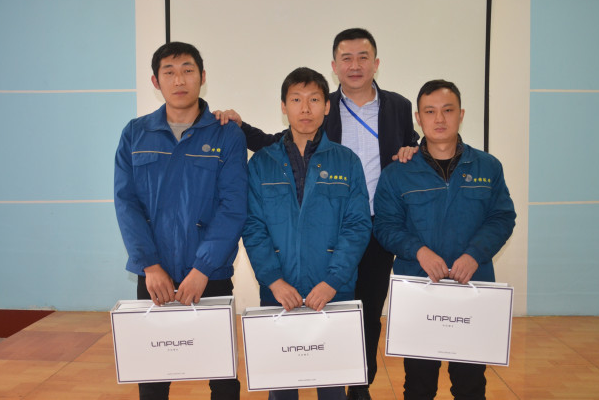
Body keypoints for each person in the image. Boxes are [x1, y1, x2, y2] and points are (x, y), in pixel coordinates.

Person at [216, 28, 419, 400]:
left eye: (362, 57)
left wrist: (413, 150)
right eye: (346, 58)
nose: (354, 65)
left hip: (369, 233)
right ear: (334, 66)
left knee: (361, 322)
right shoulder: (271, 158)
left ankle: (359, 386)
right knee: (285, 369)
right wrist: (240, 128)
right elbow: (257, 214)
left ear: (376, 63)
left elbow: (408, 149)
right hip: (300, 253)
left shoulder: (395, 109)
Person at [114, 41, 247, 400]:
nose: (179, 80)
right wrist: (150, 266)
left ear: (202, 77)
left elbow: (233, 206)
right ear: (155, 81)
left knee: (222, 376)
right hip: (154, 277)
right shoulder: (135, 133)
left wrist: (203, 268)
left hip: (210, 275)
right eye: (169, 72)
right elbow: (127, 204)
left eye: (188, 70)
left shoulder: (226, 134)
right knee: (153, 376)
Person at [373, 80, 516, 400]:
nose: (439, 119)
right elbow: (384, 225)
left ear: (461, 114)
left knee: (470, 385)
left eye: (448, 110)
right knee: (419, 385)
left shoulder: (488, 166)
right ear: (418, 118)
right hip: (418, 289)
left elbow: (502, 217)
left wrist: (474, 254)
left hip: (473, 288)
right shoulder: (397, 173)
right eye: (430, 111)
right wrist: (419, 251)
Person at [242, 67, 372, 400]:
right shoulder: (261, 163)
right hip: (278, 291)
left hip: (333, 291)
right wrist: (273, 280)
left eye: (314, 100)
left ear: (326, 106)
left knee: (332, 387)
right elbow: (252, 226)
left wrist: (333, 281)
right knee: (282, 387)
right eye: (296, 100)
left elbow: (357, 226)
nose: (305, 108)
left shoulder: (346, 161)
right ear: (283, 106)